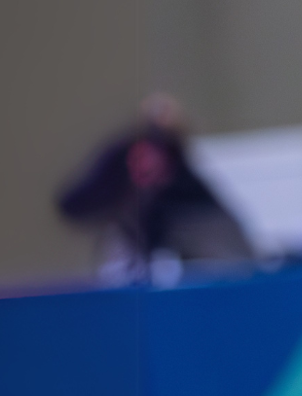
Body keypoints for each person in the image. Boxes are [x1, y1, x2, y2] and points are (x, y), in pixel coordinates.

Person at [57, 93, 252, 282]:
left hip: (177, 242)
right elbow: (75, 201)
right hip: (134, 239)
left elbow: (193, 207)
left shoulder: (176, 162)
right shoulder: (122, 154)